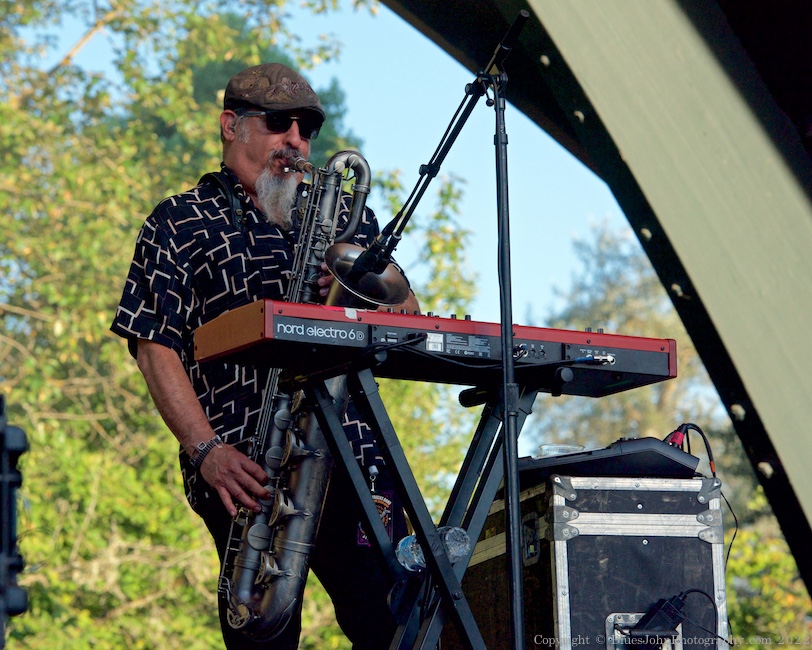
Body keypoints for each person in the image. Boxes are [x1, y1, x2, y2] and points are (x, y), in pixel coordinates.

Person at [111, 63, 420, 649]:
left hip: (354, 457)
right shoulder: (178, 221)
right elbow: (153, 344)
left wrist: (375, 279)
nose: (297, 141)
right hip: (245, 466)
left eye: (307, 129)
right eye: (281, 124)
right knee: (263, 635)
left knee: (401, 627)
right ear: (232, 126)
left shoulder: (342, 219)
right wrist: (206, 451)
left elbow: (406, 322)